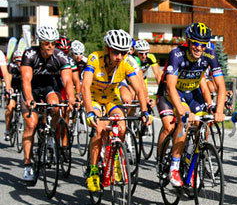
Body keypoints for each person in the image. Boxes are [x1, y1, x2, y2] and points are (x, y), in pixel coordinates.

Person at [156, 22, 226, 187]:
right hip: (173, 92)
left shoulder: (210, 55)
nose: (199, 48)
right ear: (188, 41)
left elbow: (221, 86)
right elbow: (171, 86)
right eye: (195, 43)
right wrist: (181, 110)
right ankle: (173, 164)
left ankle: (190, 157)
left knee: (203, 122)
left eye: (203, 44)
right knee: (183, 120)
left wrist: (219, 109)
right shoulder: (177, 54)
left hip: (193, 93)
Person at [82, 29, 149, 192]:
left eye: (123, 53)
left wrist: (145, 111)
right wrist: (90, 111)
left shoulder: (125, 63)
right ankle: (93, 170)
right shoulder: (94, 59)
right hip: (95, 98)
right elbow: (85, 86)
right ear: (107, 50)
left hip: (112, 97)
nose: (119, 56)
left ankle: (116, 159)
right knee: (99, 129)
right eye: (115, 52)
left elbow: (139, 89)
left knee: (121, 126)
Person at [20, 26, 75, 182]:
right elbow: (25, 80)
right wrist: (30, 99)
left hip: (48, 88)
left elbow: (67, 81)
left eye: (53, 43)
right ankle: (27, 164)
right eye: (46, 43)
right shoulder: (30, 54)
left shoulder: (60, 56)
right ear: (40, 43)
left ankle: (51, 134)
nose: (50, 46)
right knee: (31, 124)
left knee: (56, 106)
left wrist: (71, 97)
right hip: (31, 89)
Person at [4, 50, 23, 141]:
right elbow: (9, 77)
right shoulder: (12, 66)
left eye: (21, 60)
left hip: (22, 88)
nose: (19, 62)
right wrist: (8, 90)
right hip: (13, 87)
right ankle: (7, 129)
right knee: (10, 107)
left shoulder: (27, 65)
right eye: (17, 60)